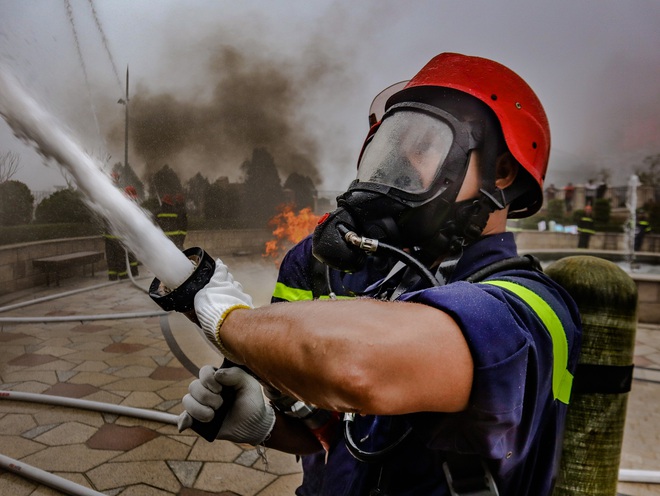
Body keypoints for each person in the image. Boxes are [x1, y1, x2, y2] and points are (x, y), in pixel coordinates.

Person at [179, 53, 582, 495]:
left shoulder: (531, 309)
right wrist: (269, 425)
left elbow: (356, 366)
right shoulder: (379, 279)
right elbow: (348, 440)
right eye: (393, 143)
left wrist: (224, 317)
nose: (400, 161)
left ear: (501, 171)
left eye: (425, 144)